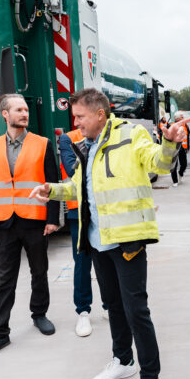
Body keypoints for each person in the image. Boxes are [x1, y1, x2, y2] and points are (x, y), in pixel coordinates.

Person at [30, 88, 185, 379]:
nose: (76, 122)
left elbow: (160, 163)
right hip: (97, 241)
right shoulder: (85, 146)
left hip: (127, 241)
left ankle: (150, 377)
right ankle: (122, 360)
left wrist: (170, 142)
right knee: (112, 306)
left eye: (80, 116)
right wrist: (51, 190)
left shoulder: (131, 135)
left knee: (135, 310)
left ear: (100, 114)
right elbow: (77, 187)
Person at [0, 94, 61, 362]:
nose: (24, 113)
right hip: (3, 223)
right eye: (18, 110)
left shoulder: (42, 144)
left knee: (39, 271)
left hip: (34, 220)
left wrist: (52, 218)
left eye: (25, 109)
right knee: (3, 281)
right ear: (5, 114)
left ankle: (39, 314)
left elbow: (53, 182)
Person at [59, 125, 104, 336]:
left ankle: (109, 306)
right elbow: (72, 169)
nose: (79, 119)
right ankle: (83, 312)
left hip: (106, 208)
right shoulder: (69, 139)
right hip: (79, 211)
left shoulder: (113, 135)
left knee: (107, 260)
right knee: (82, 262)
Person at [171, 119, 188, 185]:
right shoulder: (171, 126)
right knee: (174, 165)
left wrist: (187, 147)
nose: (183, 118)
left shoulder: (185, 125)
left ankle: (180, 172)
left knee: (184, 164)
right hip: (173, 148)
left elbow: (188, 135)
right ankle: (175, 181)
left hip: (182, 147)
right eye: (181, 117)